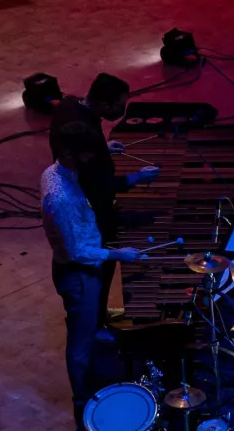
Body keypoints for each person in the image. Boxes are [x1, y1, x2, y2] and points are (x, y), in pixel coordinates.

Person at [41, 123, 145, 431]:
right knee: (80, 342)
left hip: (81, 268)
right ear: (70, 155)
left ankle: (87, 388)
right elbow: (78, 251)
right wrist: (120, 254)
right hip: (79, 275)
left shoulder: (56, 171)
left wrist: (106, 152)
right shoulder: (61, 197)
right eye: (89, 154)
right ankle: (83, 402)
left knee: (85, 331)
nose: (93, 159)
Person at [50, 74, 157, 316]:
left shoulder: (69, 106)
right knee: (87, 300)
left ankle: (96, 317)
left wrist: (102, 149)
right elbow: (78, 250)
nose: (122, 111)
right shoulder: (65, 200)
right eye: (120, 105)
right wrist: (116, 253)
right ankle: (95, 326)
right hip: (83, 244)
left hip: (88, 217)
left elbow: (81, 151)